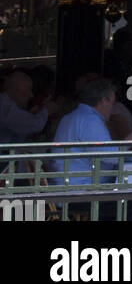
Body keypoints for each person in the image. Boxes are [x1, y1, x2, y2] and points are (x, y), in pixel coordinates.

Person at [47, 76, 122, 211]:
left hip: (67, 189)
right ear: (104, 100)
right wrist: (129, 141)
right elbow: (112, 156)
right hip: (78, 194)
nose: (113, 108)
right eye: (113, 103)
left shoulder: (73, 116)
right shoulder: (89, 120)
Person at [0, 68, 55, 140]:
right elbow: (35, 125)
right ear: (18, 90)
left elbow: (18, 126)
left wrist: (30, 114)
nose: (31, 95)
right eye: (28, 89)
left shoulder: (5, 105)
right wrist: (47, 110)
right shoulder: (5, 107)